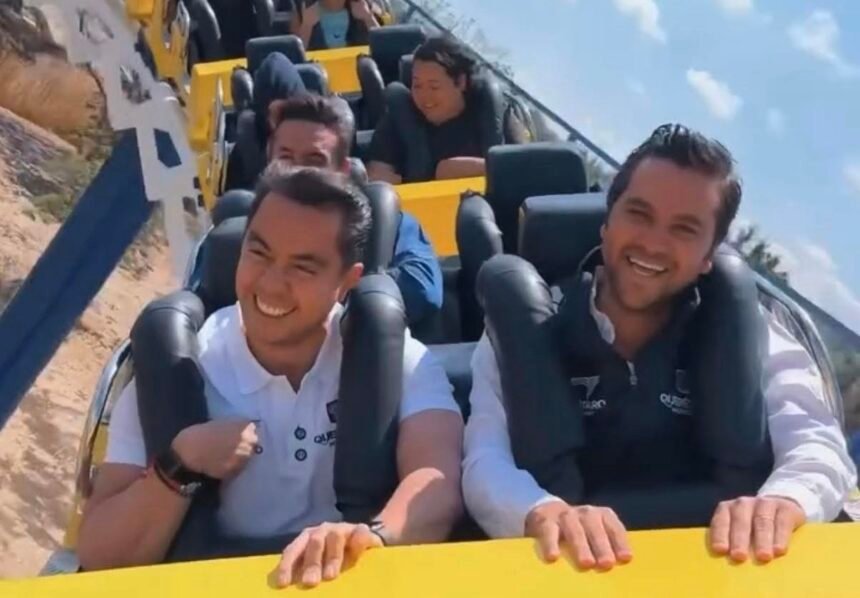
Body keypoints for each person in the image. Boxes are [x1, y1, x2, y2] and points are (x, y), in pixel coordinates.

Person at [462, 124, 857, 570]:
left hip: (727, 568)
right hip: (566, 568)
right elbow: (484, 462)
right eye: (639, 214)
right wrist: (539, 510)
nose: (652, 243)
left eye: (684, 229)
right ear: (607, 223)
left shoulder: (754, 332)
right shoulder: (523, 330)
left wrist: (784, 500)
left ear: (709, 256)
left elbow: (817, 443)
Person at [77, 165, 464, 586]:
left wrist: (369, 536)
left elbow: (436, 482)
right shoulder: (181, 368)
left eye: (303, 268)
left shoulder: (394, 359)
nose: (272, 285)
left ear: (347, 281)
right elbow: (98, 553)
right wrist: (178, 466)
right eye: (259, 254)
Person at [266, 93, 444, 329]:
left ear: (342, 170)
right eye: (286, 158)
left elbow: (423, 291)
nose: (298, 171)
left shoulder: (389, 225)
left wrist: (340, 287)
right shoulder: (249, 235)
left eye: (315, 160)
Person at [367, 36, 496, 184]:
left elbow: (515, 167)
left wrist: (461, 169)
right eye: (417, 86)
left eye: (434, 87)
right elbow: (376, 173)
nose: (424, 96)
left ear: (461, 82)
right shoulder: (399, 118)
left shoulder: (491, 115)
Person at [291, 0, 381, 51]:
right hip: (319, 72)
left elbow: (383, 47)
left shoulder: (366, 6)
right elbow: (295, 57)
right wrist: (307, 26)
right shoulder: (302, 9)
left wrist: (368, 18)